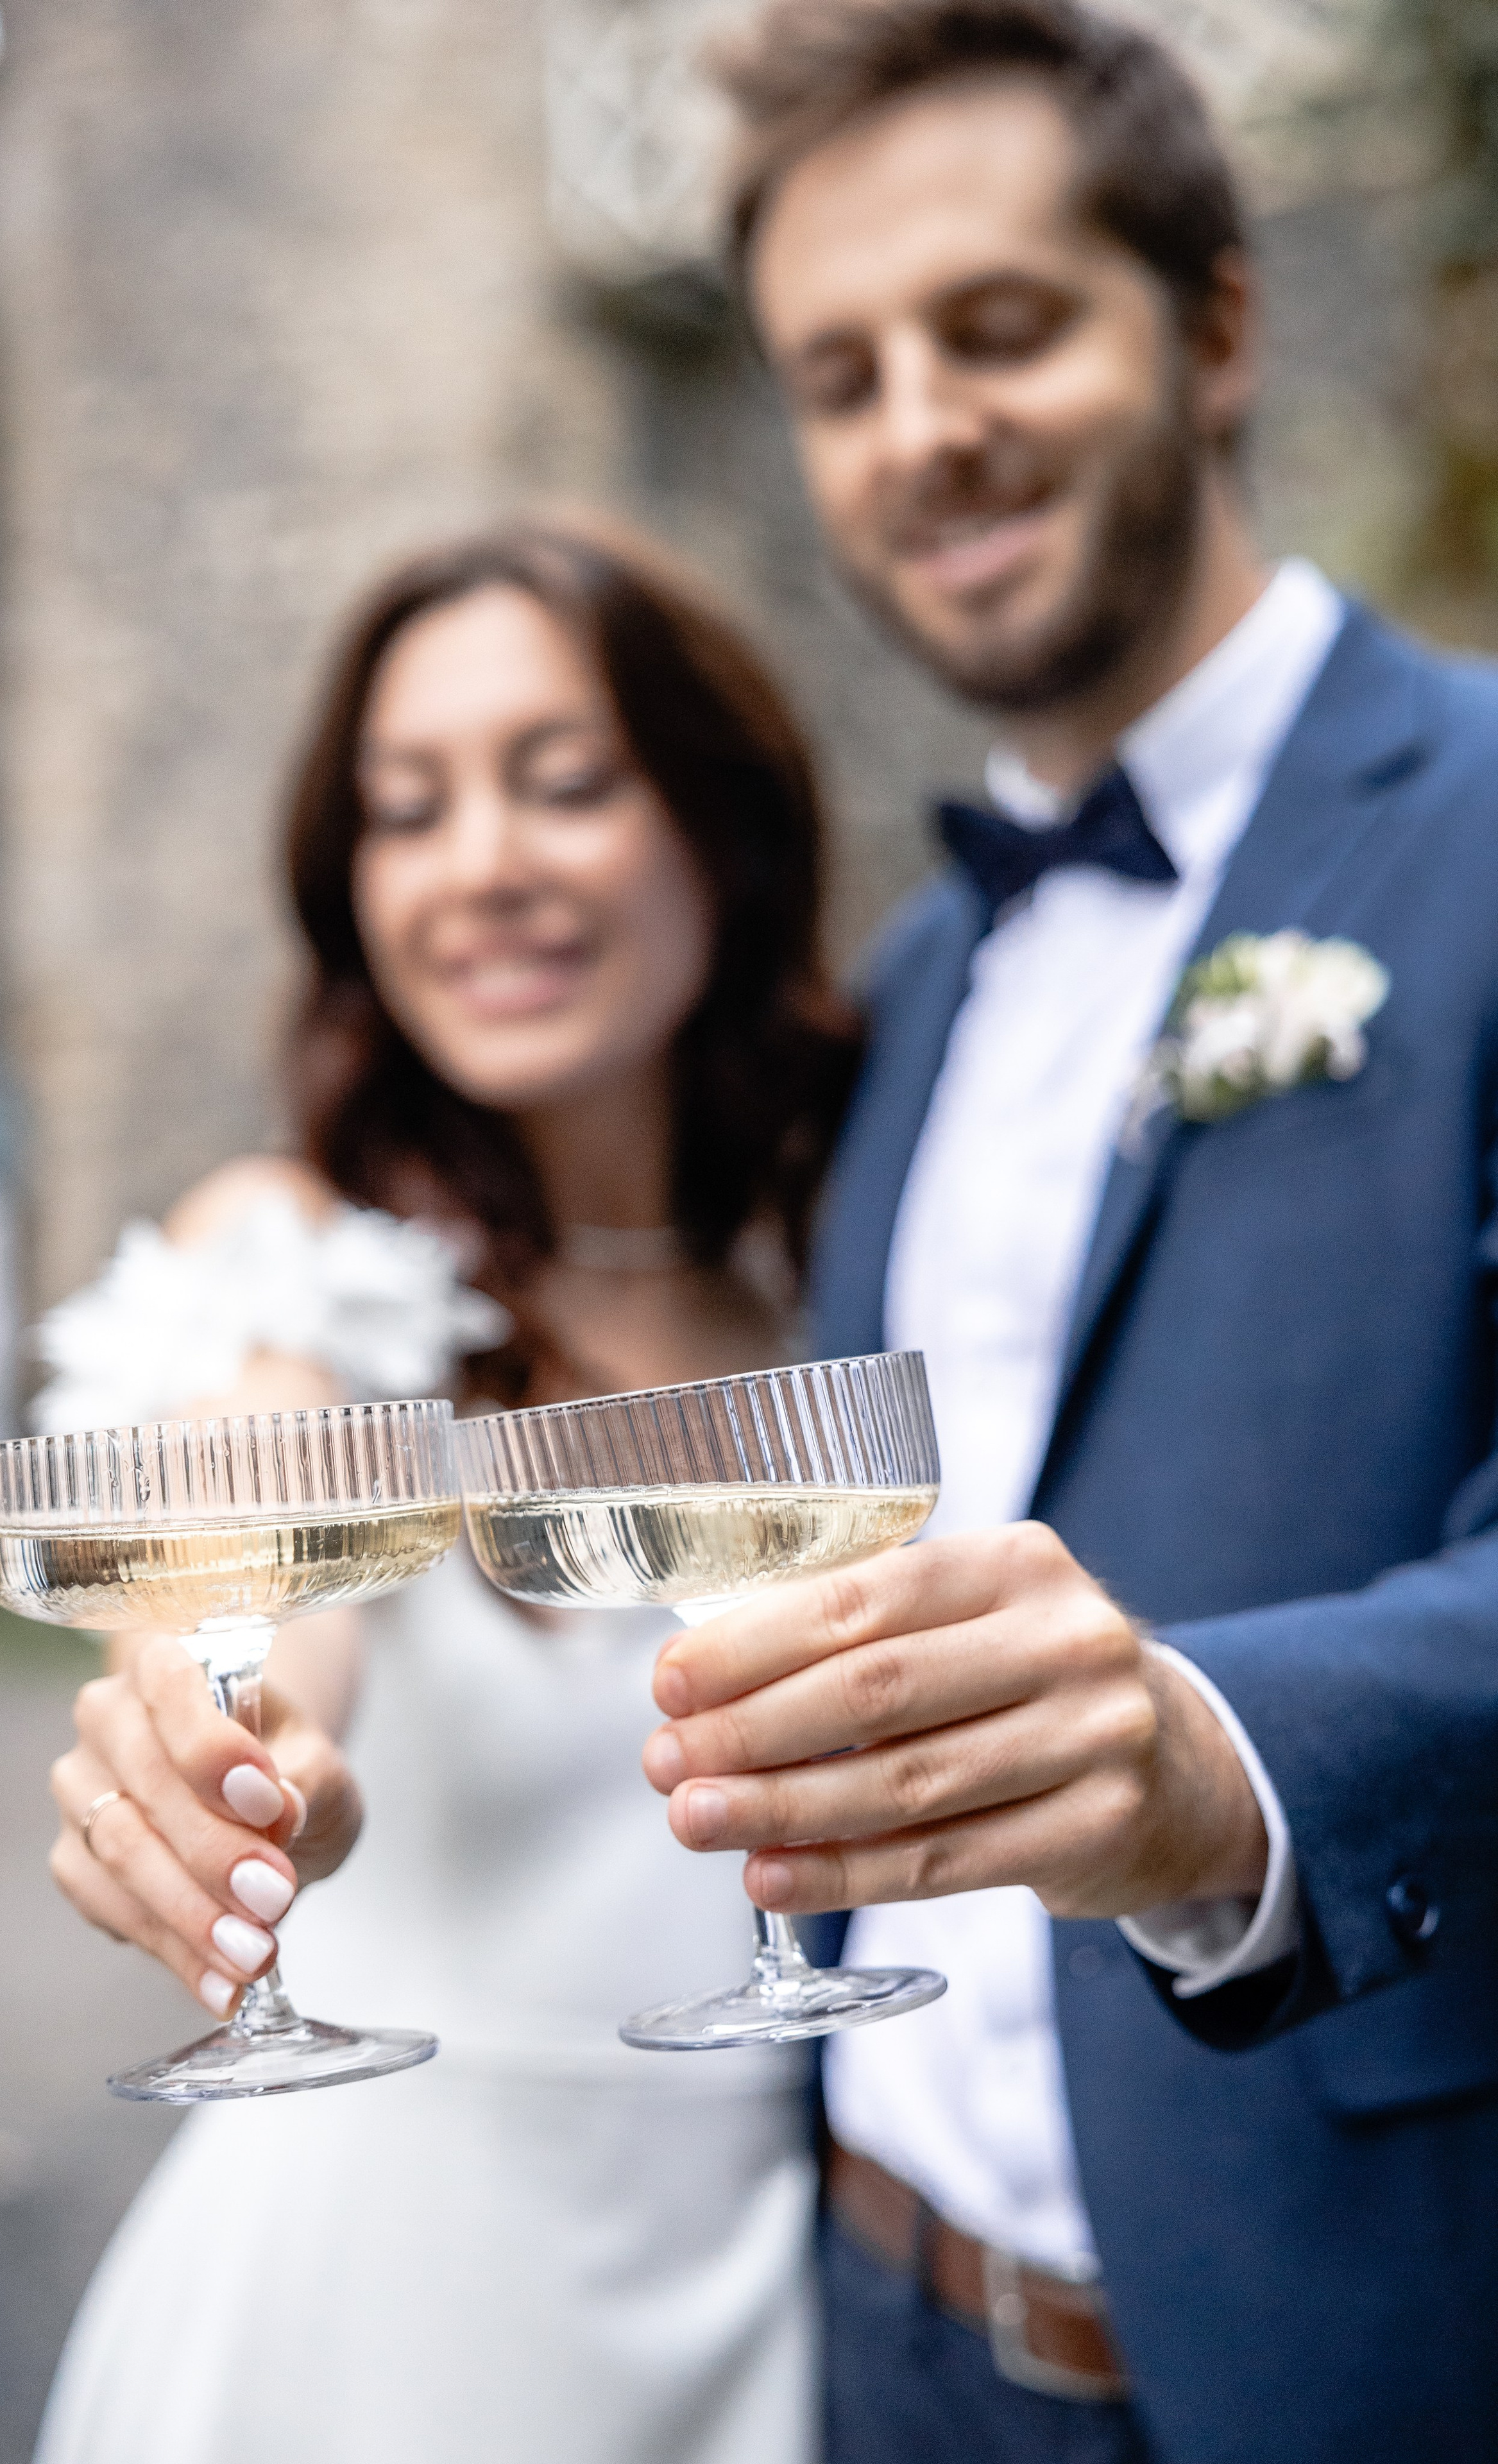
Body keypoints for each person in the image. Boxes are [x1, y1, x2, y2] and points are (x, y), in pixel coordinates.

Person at [634, 5, 1498, 2460]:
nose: (922, 428)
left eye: (999, 326)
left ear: (1213, 326)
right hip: (878, 2318)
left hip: (1330, 2355)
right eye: (842, 376)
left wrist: (1220, 1764)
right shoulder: (914, 984)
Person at [32, 517, 862, 2464]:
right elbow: (247, 1587)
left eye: (563, 783)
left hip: (767, 2299)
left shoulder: (835, 1274)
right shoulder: (302, 1269)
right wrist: (239, 1756)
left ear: (721, 827)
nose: (482, 864)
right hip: (381, 2324)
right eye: (408, 811)